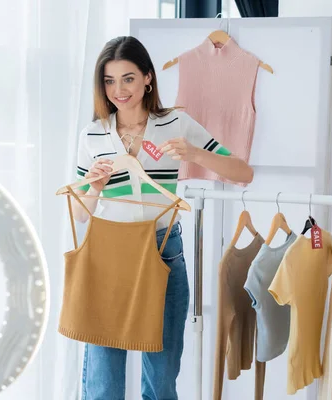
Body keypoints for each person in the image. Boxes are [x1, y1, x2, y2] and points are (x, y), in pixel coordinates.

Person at [70, 36, 254, 400]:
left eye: (128, 78)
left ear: (148, 78)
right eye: (109, 80)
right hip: (109, 253)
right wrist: (93, 187)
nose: (119, 90)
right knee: (103, 379)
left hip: (162, 250)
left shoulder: (175, 123)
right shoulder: (93, 134)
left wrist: (196, 155)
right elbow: (79, 214)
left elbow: (242, 173)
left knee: (162, 375)